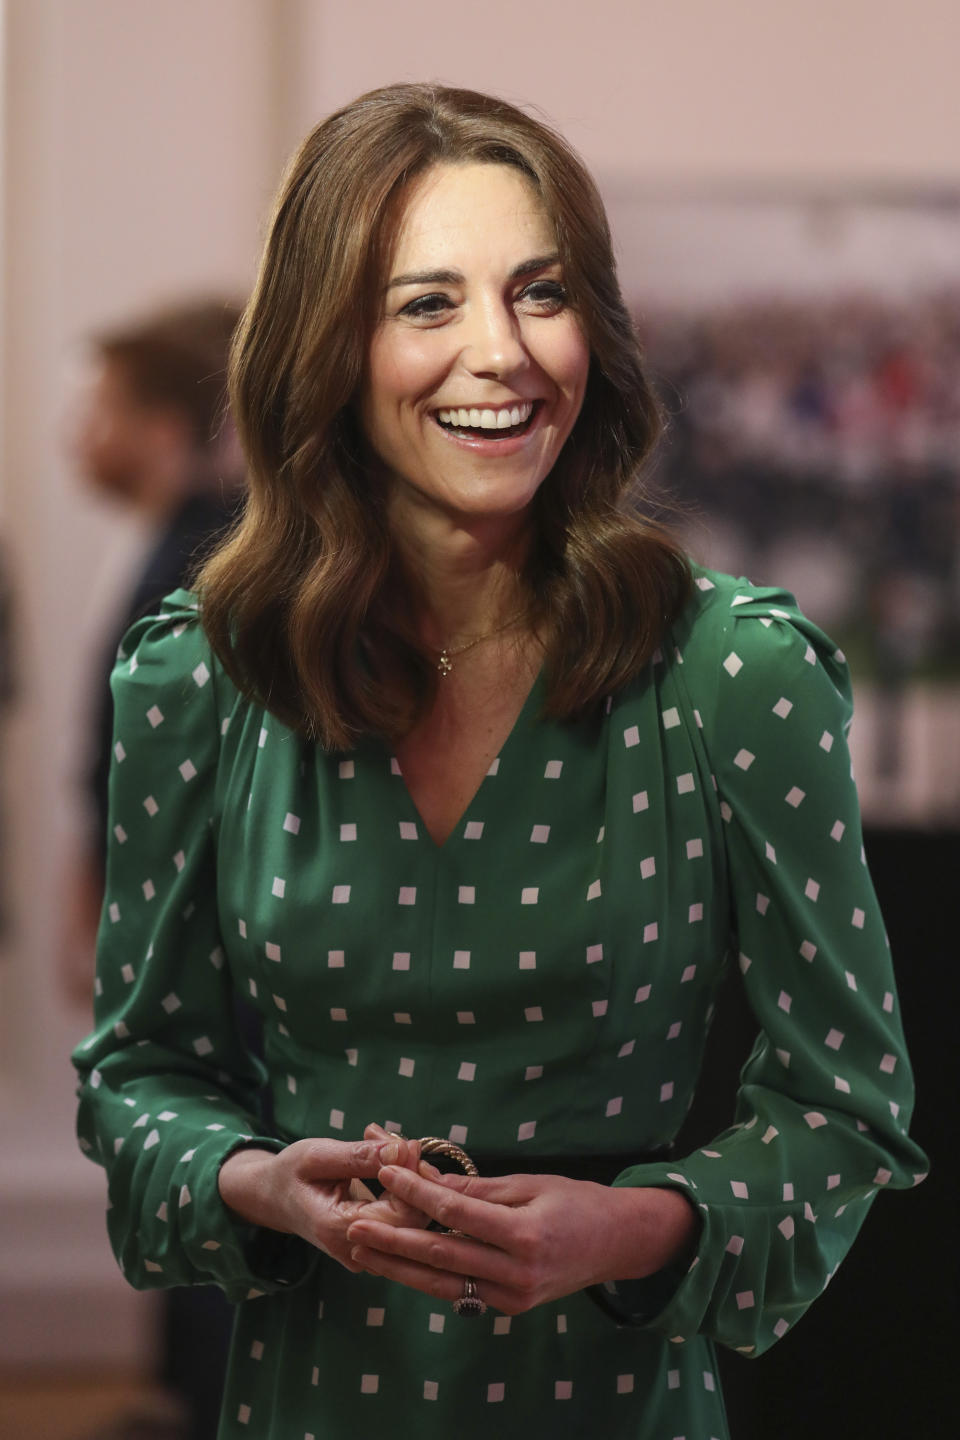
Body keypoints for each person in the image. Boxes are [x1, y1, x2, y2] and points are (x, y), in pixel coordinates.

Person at [72, 85, 927, 1440]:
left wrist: (630, 1227)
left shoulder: (730, 676)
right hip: (304, 1399)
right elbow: (135, 1072)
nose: (505, 353)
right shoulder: (201, 678)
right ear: (327, 348)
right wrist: (258, 1183)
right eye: (428, 303)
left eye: (540, 293)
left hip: (616, 1404)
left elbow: (849, 1110)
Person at [63, 299, 244, 1440]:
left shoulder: (204, 554)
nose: (80, 430)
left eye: (106, 406)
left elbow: (154, 771)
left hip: (203, 938)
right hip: (177, 930)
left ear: (167, 419)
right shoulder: (179, 539)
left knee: (211, 1147)